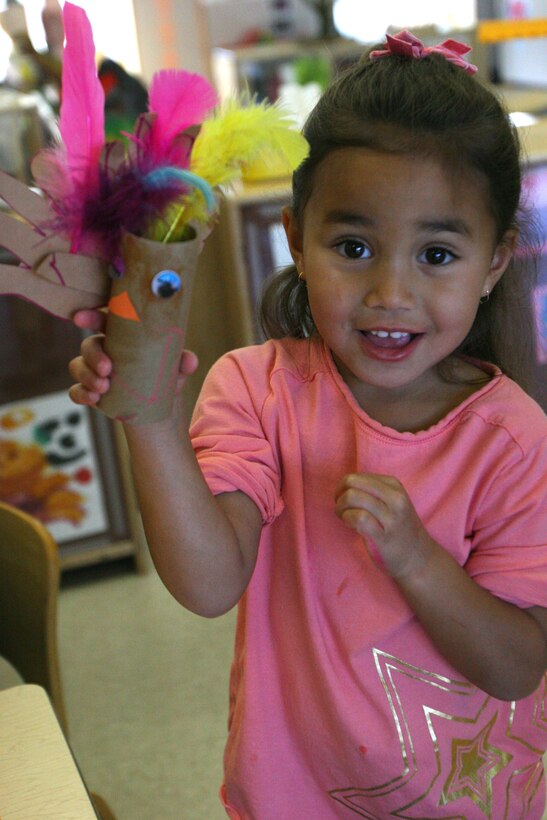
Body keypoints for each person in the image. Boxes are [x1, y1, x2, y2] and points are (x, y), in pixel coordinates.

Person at [68, 30, 547, 819]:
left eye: (435, 255)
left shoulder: (514, 441)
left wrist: (416, 558)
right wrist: (149, 419)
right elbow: (209, 583)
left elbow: (516, 668)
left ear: (494, 263)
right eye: (353, 247)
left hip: (476, 801)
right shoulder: (259, 391)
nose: (388, 291)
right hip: (298, 799)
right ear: (296, 239)